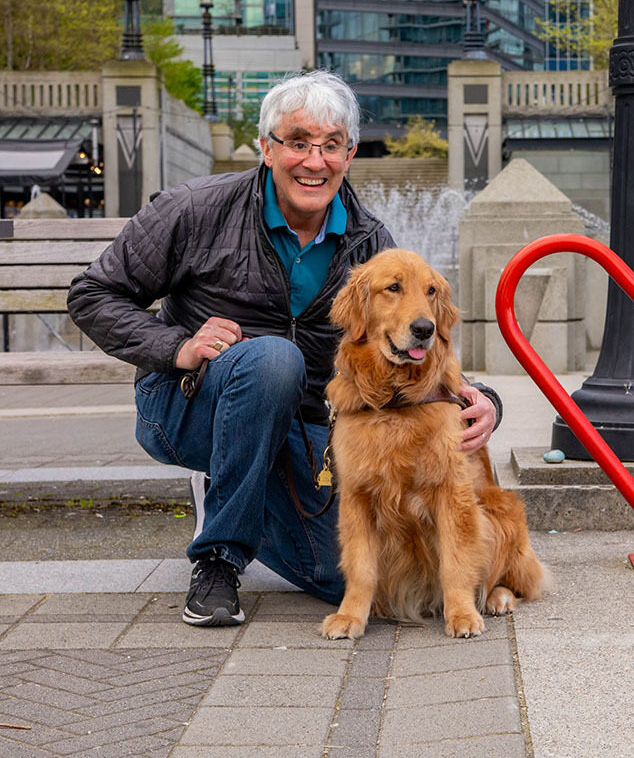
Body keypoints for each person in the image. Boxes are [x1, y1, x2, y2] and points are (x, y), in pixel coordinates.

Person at [68, 70, 501, 627]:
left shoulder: (371, 244)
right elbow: (91, 293)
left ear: (349, 154)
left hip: (303, 428)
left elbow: (415, 349)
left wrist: (485, 398)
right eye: (297, 143)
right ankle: (219, 560)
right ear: (267, 148)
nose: (313, 161)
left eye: (330, 146)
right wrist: (179, 346)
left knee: (349, 579)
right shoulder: (195, 209)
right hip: (186, 404)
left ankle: (244, 484)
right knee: (275, 359)